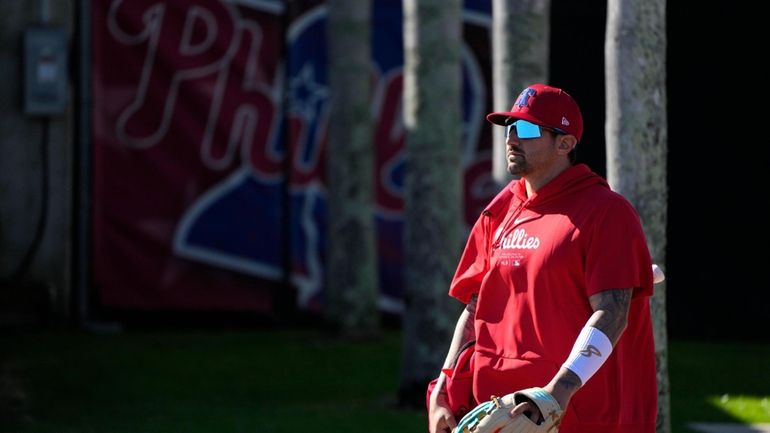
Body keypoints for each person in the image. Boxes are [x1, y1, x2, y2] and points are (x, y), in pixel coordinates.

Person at [427, 83, 657, 433]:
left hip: (569, 414)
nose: (512, 139)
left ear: (565, 143)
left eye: (529, 129)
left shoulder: (607, 212)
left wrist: (556, 393)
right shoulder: (500, 209)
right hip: (496, 414)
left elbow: (612, 312)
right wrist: (443, 390)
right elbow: (475, 306)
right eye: (511, 127)